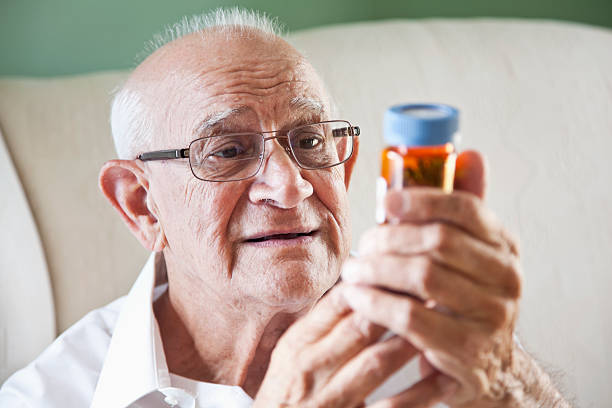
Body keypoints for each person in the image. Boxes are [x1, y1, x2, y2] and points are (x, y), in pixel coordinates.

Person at [0, 8, 570, 408]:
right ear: (142, 206)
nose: (291, 186)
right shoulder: (50, 397)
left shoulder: (432, 326)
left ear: (345, 171)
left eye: (310, 142)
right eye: (227, 150)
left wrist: (508, 381)